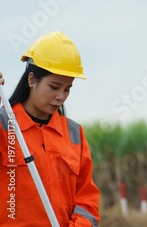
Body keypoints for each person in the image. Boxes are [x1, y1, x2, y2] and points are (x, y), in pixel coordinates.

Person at [0, 31, 99, 226]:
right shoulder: (4, 125)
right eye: (54, 87)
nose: (61, 96)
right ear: (32, 80)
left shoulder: (74, 134)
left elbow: (87, 200)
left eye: (67, 89)